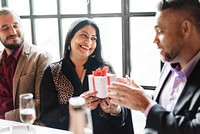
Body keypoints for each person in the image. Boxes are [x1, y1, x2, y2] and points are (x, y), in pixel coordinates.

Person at [107, 0, 200, 134]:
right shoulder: (169, 65)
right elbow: (167, 109)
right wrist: (141, 96)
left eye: (160, 31)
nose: (155, 40)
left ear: (185, 28)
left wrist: (145, 105)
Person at [39, 18, 134, 134]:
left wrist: (115, 110)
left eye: (93, 38)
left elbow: (123, 111)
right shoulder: (53, 72)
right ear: (70, 38)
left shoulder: (105, 69)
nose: (88, 42)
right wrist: (77, 105)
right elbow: (47, 117)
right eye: (84, 35)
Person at [0, 7, 53, 122]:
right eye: (5, 28)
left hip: (25, 126)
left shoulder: (41, 57)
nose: (13, 32)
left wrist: (4, 118)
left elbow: (41, 103)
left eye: (15, 25)